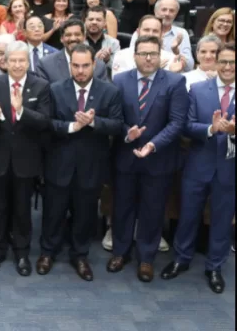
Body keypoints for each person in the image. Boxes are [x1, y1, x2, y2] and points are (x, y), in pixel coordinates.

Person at [37, 44, 123, 281]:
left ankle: (80, 255)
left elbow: (117, 125)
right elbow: (46, 125)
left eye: (86, 65)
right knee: (53, 212)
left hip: (91, 165)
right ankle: (47, 252)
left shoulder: (109, 91)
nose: (81, 70)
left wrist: (94, 123)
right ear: (69, 65)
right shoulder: (54, 90)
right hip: (59, 163)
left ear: (94, 65)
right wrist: (71, 127)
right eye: (76, 65)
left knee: (85, 214)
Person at [107, 35, 188, 283]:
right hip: (126, 157)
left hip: (158, 159)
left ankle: (146, 258)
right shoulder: (120, 81)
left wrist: (153, 144)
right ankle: (121, 252)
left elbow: (177, 123)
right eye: (143, 53)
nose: (149, 58)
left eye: (153, 53)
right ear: (135, 56)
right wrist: (127, 134)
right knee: (122, 208)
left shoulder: (175, 82)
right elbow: (115, 118)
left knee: (153, 211)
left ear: (160, 54)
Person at [163, 43, 235, 294]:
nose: (227, 66)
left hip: (229, 168)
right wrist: (211, 129)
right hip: (198, 163)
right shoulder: (196, 89)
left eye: (232, 62)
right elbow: (186, 126)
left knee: (222, 219)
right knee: (188, 214)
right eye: (222, 61)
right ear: (214, 62)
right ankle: (181, 258)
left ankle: (214, 266)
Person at [0, 40, 51, 276]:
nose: (18, 64)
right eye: (14, 60)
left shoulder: (40, 85)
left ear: (28, 62)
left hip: (26, 160)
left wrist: (21, 111)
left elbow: (44, 121)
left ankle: (22, 253)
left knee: (22, 210)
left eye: (22, 60)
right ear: (5, 62)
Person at [129, 0, 194, 71]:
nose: (167, 13)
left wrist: (176, 52)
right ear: (155, 11)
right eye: (164, 10)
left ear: (176, 14)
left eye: (172, 11)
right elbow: (131, 62)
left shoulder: (181, 33)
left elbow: (189, 67)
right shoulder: (141, 32)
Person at [37, 18, 109, 83]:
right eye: (68, 35)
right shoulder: (46, 64)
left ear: (84, 37)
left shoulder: (99, 66)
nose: (73, 39)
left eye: (77, 34)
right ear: (61, 39)